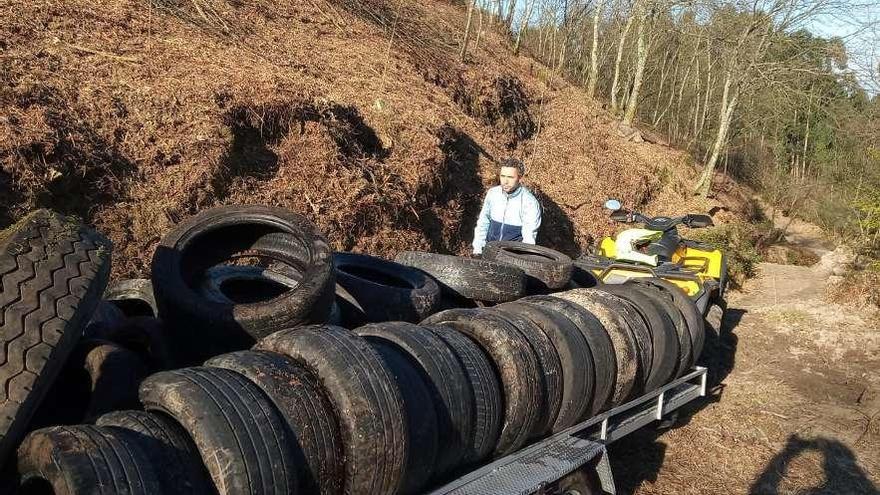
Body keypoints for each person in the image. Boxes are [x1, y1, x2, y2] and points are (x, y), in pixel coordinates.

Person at [472, 158, 542, 255]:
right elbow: (483, 222)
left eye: (510, 177)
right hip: (489, 251)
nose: (505, 181)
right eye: (503, 176)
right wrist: (478, 250)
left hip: (513, 256)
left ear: (520, 178)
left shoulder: (529, 203)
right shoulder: (493, 194)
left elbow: (529, 238)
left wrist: (523, 259)